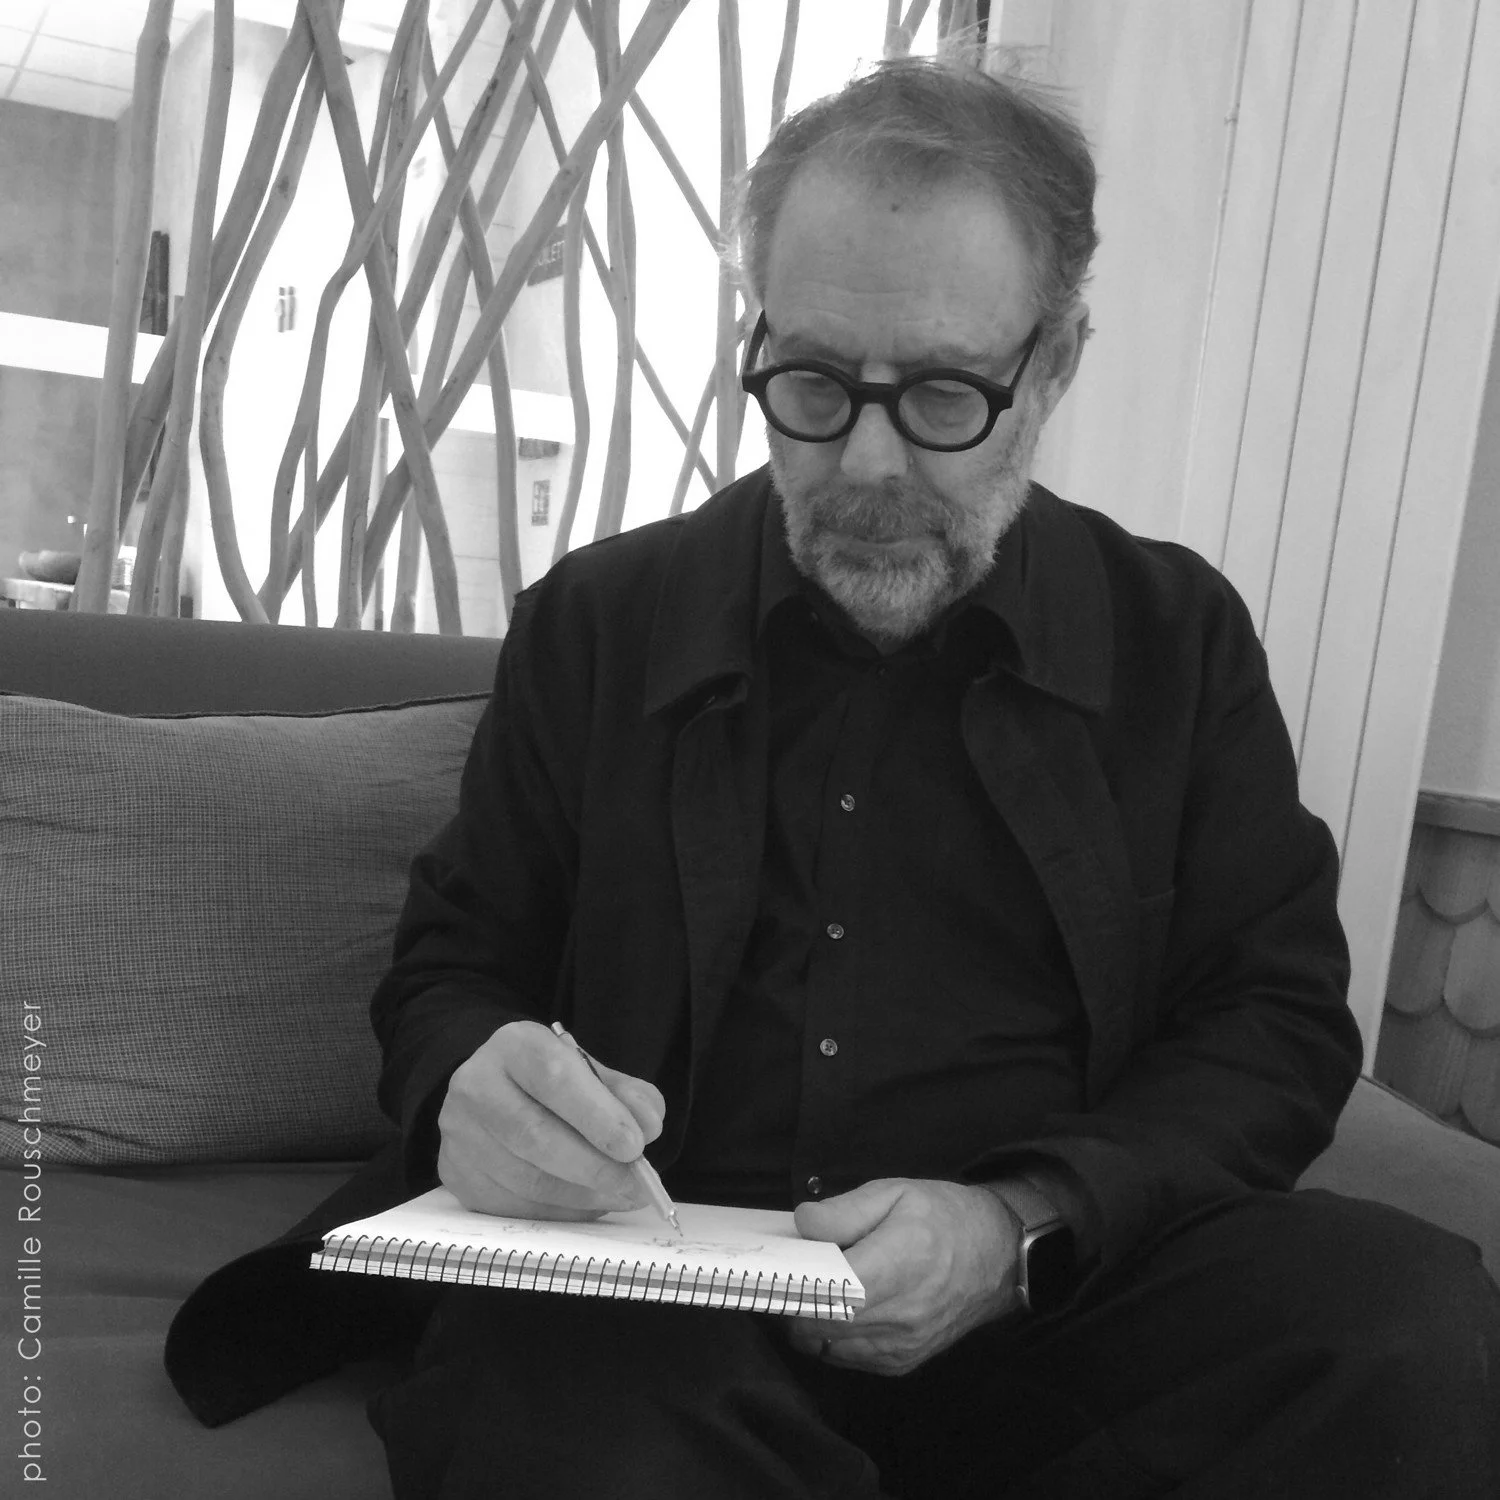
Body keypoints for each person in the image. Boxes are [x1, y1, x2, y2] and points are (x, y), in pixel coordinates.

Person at [170, 55, 1500, 1499]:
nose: (865, 459)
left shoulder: (1175, 639)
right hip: (658, 1309)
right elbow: (451, 966)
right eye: (811, 381)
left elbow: (1276, 1021)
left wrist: (1019, 1222)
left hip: (1051, 1299)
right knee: (550, 1424)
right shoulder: (604, 621)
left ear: (1053, 364)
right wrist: (469, 1085)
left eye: (942, 394)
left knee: (1403, 1324)